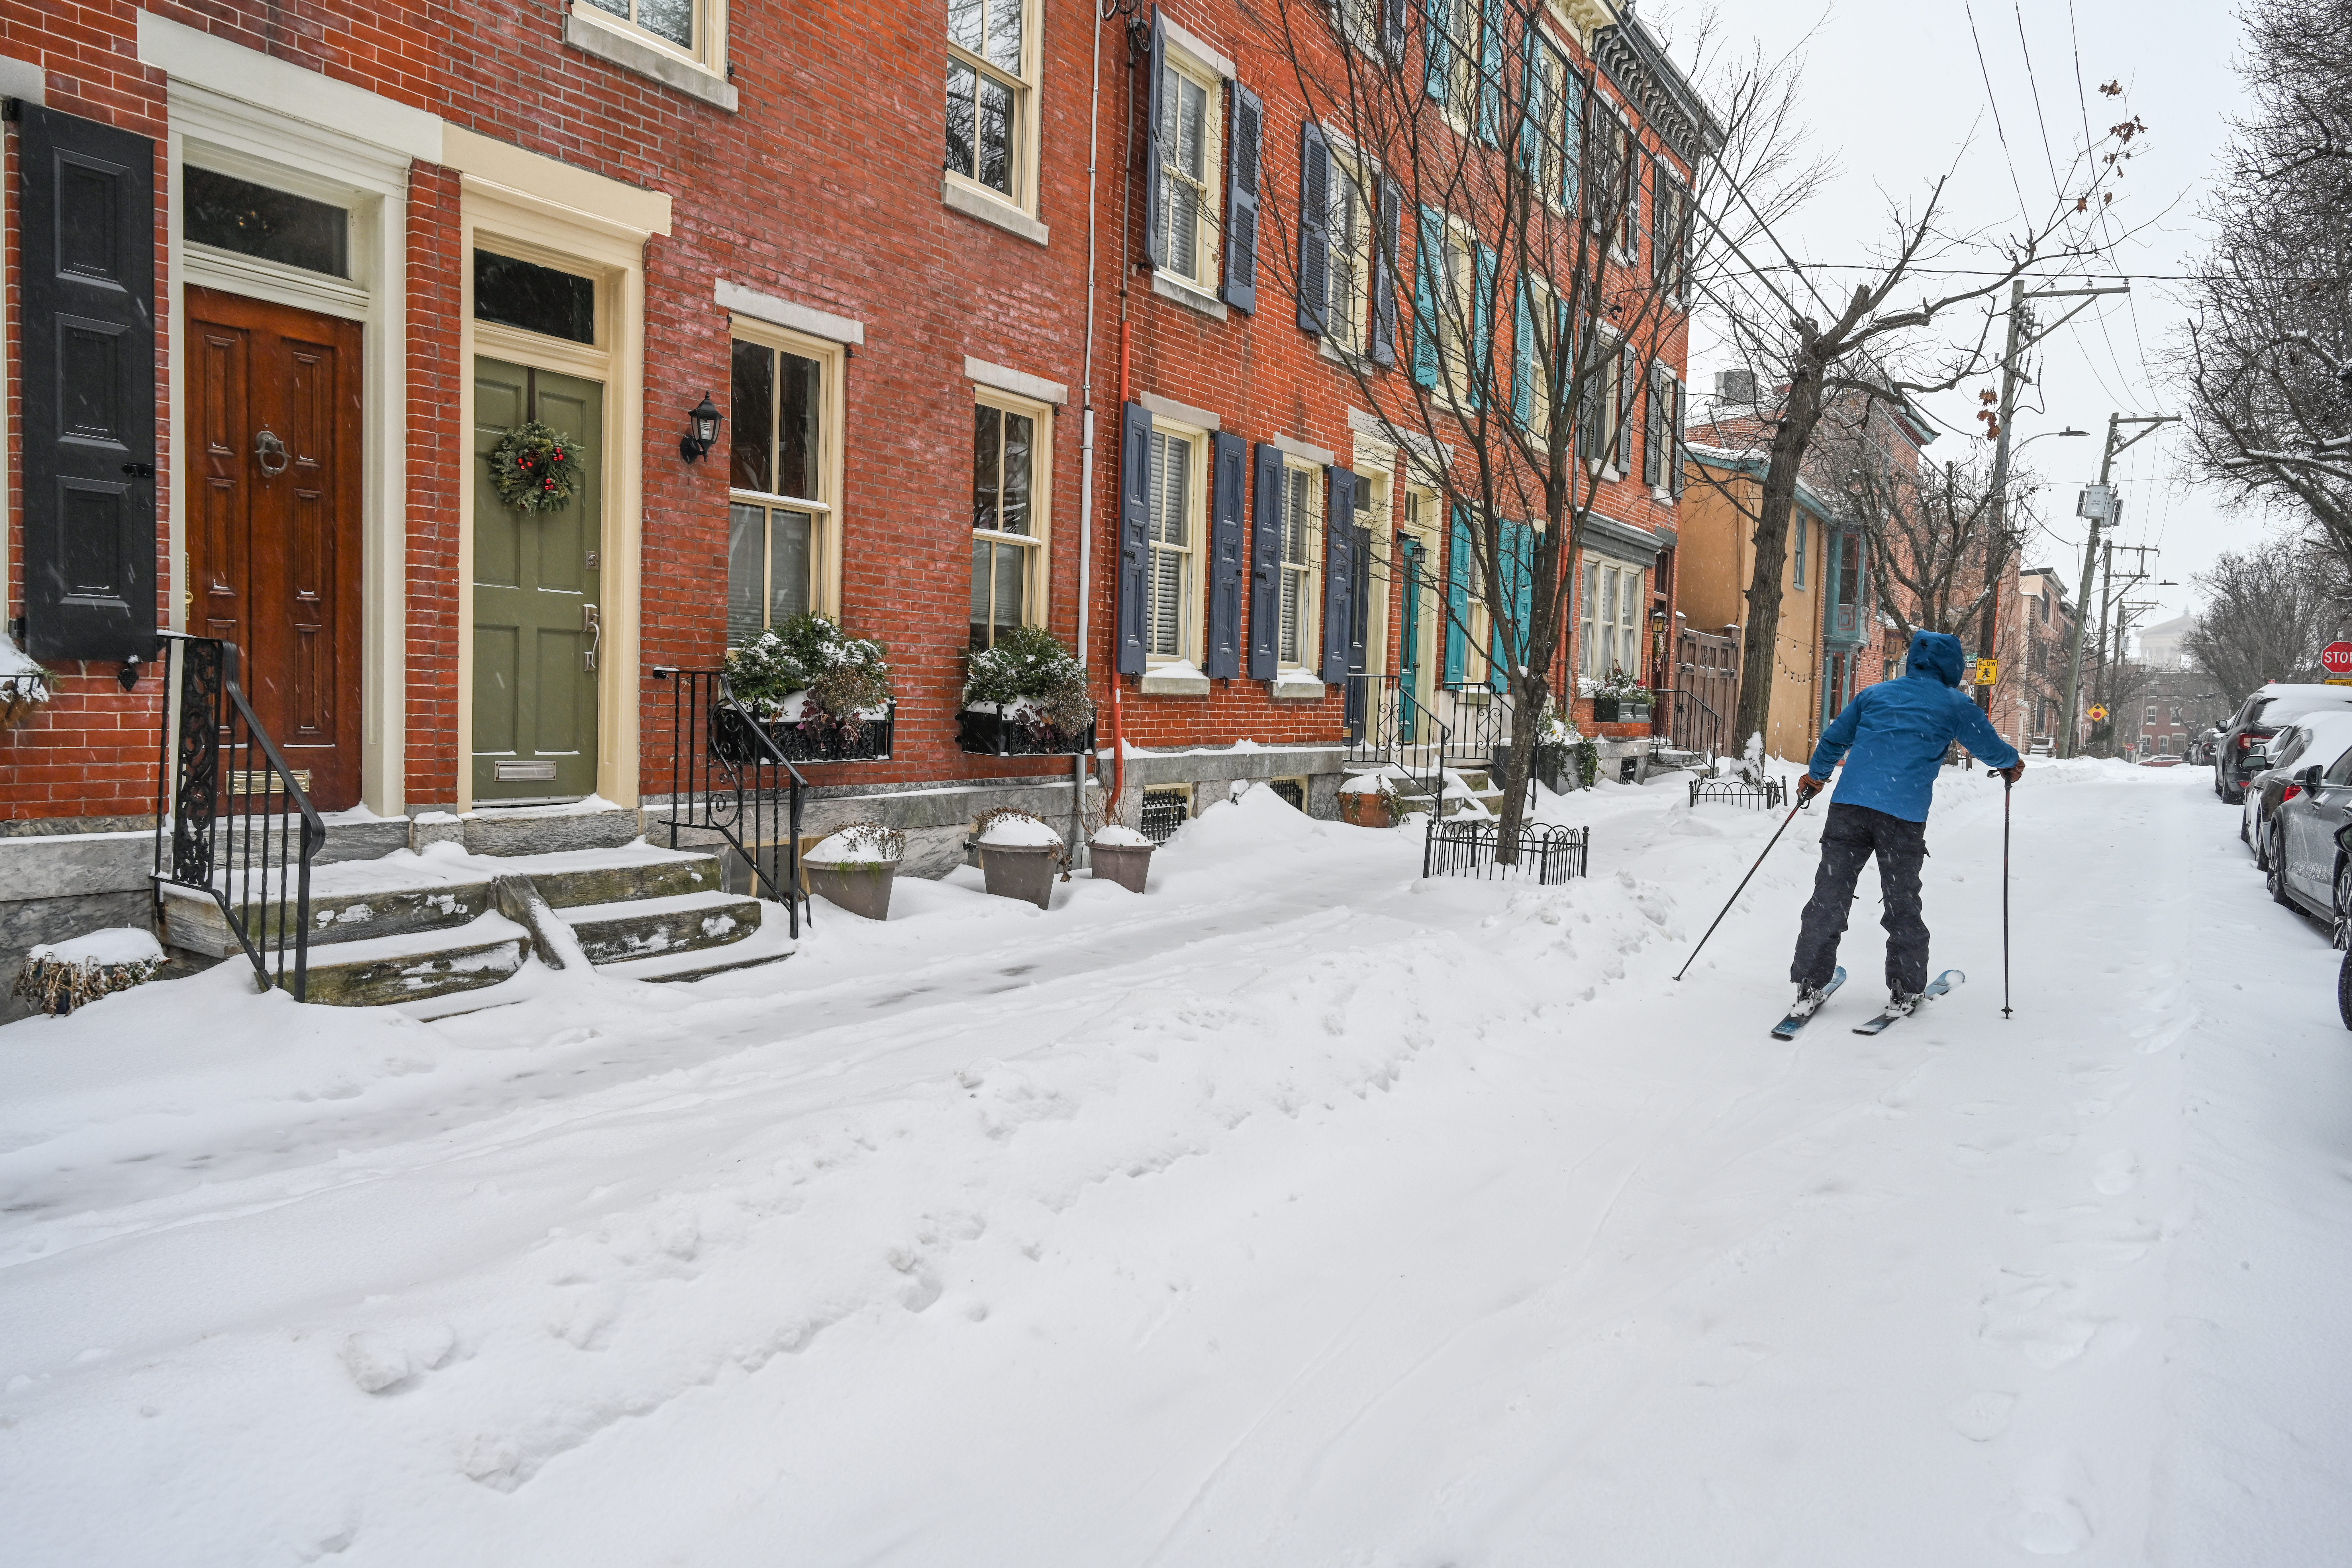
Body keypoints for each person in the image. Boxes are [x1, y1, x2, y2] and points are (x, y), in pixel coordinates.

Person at [1787, 630, 2024, 1020]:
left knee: (1829, 897)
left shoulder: (1874, 695)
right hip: (1902, 817)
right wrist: (2011, 763)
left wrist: (1816, 777)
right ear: (1953, 666)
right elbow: (1988, 747)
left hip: (1850, 808)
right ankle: (1906, 987)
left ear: (1913, 659)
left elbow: (1834, 739)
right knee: (1902, 904)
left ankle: (1809, 982)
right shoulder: (1955, 704)